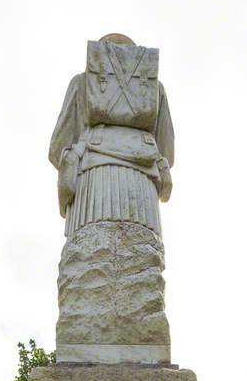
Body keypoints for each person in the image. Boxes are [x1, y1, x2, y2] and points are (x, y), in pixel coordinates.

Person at [49, 34, 174, 239]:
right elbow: (167, 150)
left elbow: (58, 145)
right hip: (142, 184)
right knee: (143, 257)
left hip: (92, 182)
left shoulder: (81, 82)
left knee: (90, 255)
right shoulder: (154, 89)